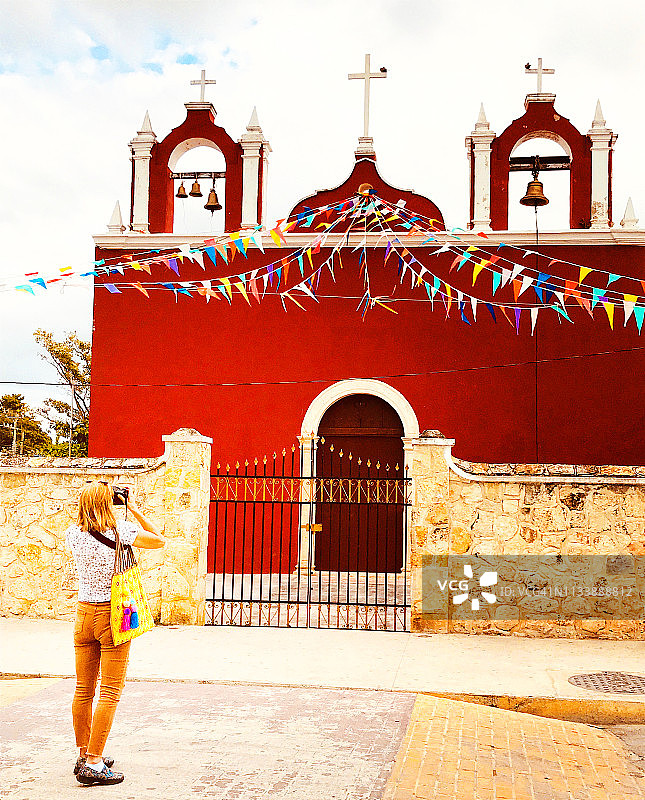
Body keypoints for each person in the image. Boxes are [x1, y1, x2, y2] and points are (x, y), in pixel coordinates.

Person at [65, 480, 165, 786]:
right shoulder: (122, 530)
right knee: (109, 692)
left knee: (84, 689)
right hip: (113, 615)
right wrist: (132, 506)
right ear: (109, 502)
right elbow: (160, 540)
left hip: (83, 614)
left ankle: (85, 753)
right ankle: (95, 763)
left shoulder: (73, 533)